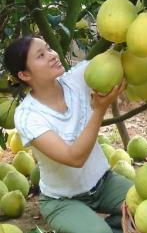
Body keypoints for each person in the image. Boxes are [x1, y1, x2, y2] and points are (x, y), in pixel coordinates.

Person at [3, 36, 132, 233]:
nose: (52, 55)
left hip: (104, 184)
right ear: (25, 74)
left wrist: (124, 44)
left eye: (48, 48)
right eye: (41, 55)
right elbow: (74, 158)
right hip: (62, 201)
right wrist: (99, 110)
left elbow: (111, 62)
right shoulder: (28, 115)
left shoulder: (77, 79)